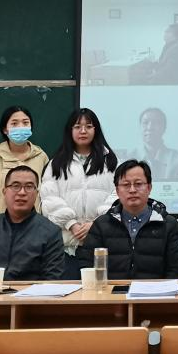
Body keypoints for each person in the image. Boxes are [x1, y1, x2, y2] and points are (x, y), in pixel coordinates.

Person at [76, 160, 178, 279]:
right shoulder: (102, 225)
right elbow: (87, 264)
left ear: (149, 187)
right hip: (111, 290)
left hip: (157, 290)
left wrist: (162, 289)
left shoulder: (169, 224)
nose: (132, 190)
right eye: (126, 185)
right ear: (117, 191)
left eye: (138, 184)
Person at [40, 107, 119, 279]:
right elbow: (49, 198)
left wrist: (96, 224)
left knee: (101, 292)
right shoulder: (57, 163)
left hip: (102, 245)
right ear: (70, 131)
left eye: (88, 126)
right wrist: (71, 224)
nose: (83, 131)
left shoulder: (111, 161)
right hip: (67, 246)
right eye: (77, 126)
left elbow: (118, 195)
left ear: (95, 130)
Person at [0, 166, 65, 281]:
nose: (22, 192)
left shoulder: (51, 232)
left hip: (32, 292)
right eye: (16, 186)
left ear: (37, 193)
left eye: (29, 187)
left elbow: (52, 282)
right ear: (4, 192)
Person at [0, 105, 49, 230]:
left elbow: (50, 198)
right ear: (5, 129)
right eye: (14, 123)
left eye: (25, 123)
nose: (20, 127)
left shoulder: (41, 157)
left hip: (35, 232)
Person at [123, 107, 178, 179]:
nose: (149, 127)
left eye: (155, 123)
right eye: (145, 123)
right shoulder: (128, 159)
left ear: (164, 128)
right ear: (140, 127)